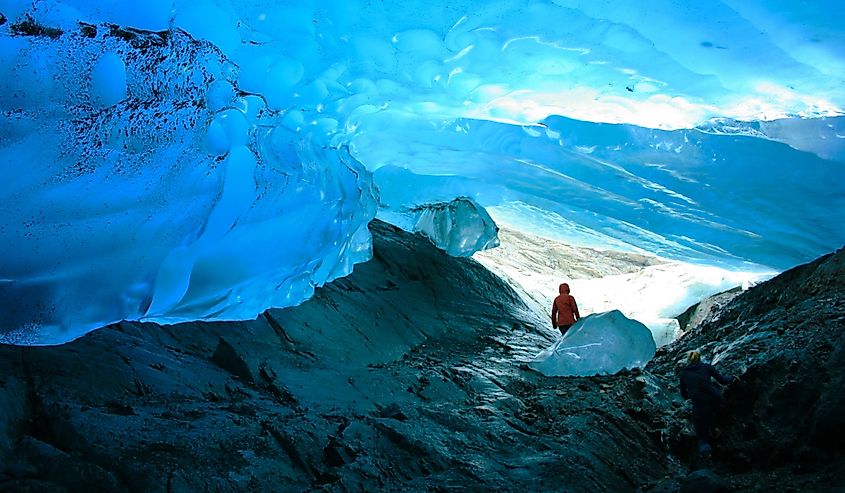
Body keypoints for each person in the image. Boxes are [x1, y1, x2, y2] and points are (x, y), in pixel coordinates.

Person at [679, 351, 738, 456]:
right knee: (719, 417)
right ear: (699, 359)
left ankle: (706, 450)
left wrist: (692, 396)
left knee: (701, 430)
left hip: (699, 403)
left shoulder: (684, 373)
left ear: (688, 361)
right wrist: (733, 377)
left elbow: (683, 393)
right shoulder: (707, 367)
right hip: (716, 399)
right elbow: (723, 380)